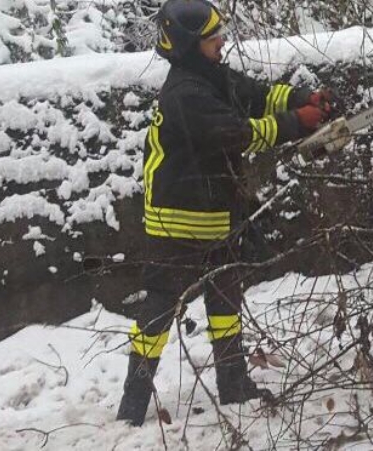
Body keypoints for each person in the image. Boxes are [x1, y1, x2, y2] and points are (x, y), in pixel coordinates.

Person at [117, 0, 332, 426]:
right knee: (160, 308)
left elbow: (260, 96)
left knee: (226, 296)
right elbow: (240, 134)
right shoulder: (185, 93)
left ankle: (233, 383)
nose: (221, 42)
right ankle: (133, 402)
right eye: (212, 38)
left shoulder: (213, 77)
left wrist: (307, 99)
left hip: (216, 212)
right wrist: (296, 123)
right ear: (189, 45)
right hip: (175, 218)